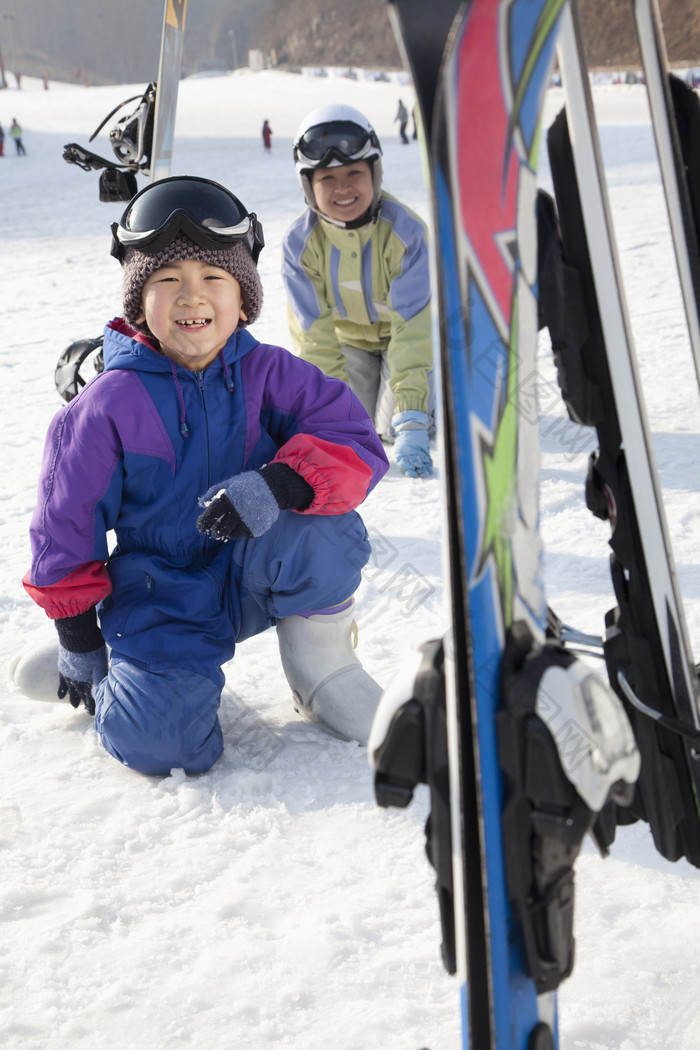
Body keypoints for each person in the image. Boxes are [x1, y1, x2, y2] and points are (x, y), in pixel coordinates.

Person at [11, 175, 390, 777]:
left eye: (213, 278)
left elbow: (355, 442)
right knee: (165, 746)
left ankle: (322, 667)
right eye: (168, 281)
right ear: (139, 302)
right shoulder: (107, 405)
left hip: (252, 567)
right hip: (162, 594)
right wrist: (79, 637)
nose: (192, 298)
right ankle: (116, 675)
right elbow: (66, 524)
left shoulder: (273, 373)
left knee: (326, 527)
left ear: (243, 299)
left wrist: (279, 484)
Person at [282, 104, 434, 478]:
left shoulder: (406, 233)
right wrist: (331, 418)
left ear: (375, 174)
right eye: (327, 179)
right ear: (308, 186)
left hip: (404, 342)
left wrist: (412, 413)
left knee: (404, 425)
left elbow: (411, 328)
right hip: (350, 345)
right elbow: (314, 339)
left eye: (354, 173)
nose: (343, 187)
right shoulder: (299, 245)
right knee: (359, 428)